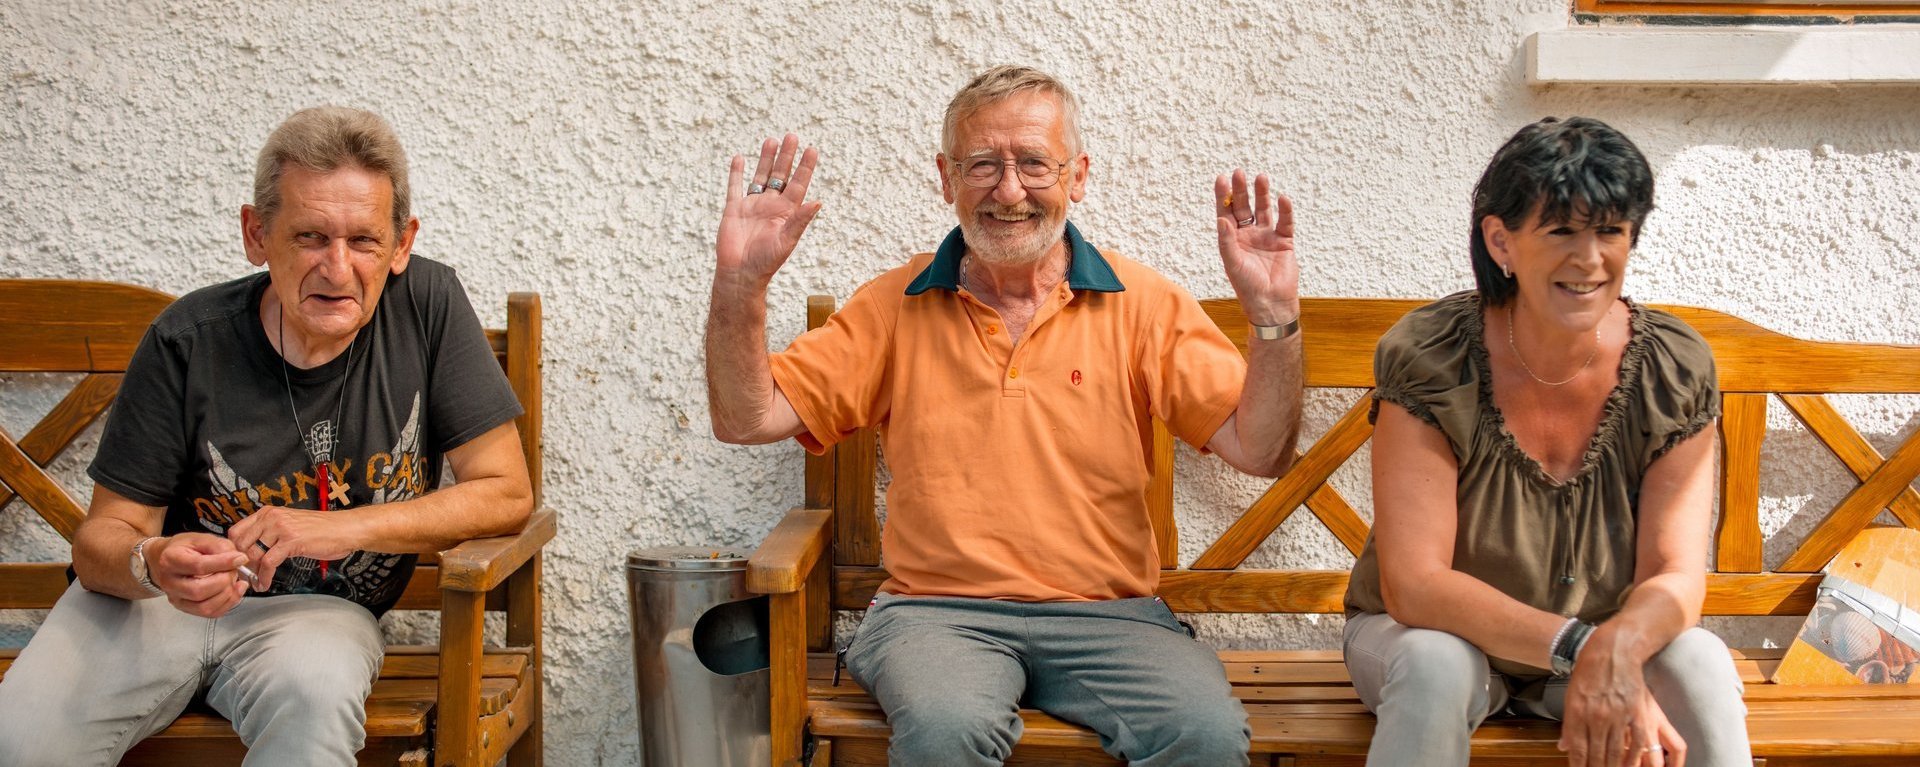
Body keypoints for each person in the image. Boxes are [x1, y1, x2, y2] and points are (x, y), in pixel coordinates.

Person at [705, 65, 1306, 766]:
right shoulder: (893, 304)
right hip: (937, 616)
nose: (1009, 189)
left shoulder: (1142, 302)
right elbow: (747, 418)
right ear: (946, 176)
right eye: (983, 164)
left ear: (1077, 175)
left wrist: (1273, 320)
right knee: (944, 731)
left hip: (1110, 618)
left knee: (1203, 733)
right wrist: (741, 284)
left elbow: (1261, 449)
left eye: (1033, 163)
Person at [0, 107, 533, 766]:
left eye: (363, 240)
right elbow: (104, 537)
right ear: (257, 234)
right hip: (156, 609)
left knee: (314, 705)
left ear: (402, 244)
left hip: (316, 616)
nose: (337, 270)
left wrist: (337, 527)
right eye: (310, 236)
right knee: (21, 739)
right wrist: (154, 561)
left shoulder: (428, 305)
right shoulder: (185, 340)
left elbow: (506, 492)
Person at [1340, 116, 1752, 767]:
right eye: (1561, 230)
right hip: (1431, 639)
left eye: (1609, 231)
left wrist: (1614, 649)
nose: (1588, 259)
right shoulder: (1432, 356)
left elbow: (1674, 575)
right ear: (1501, 241)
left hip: (1596, 649)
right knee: (1435, 662)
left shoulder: (1672, 368)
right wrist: (1580, 644)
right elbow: (1415, 585)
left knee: (1698, 657)